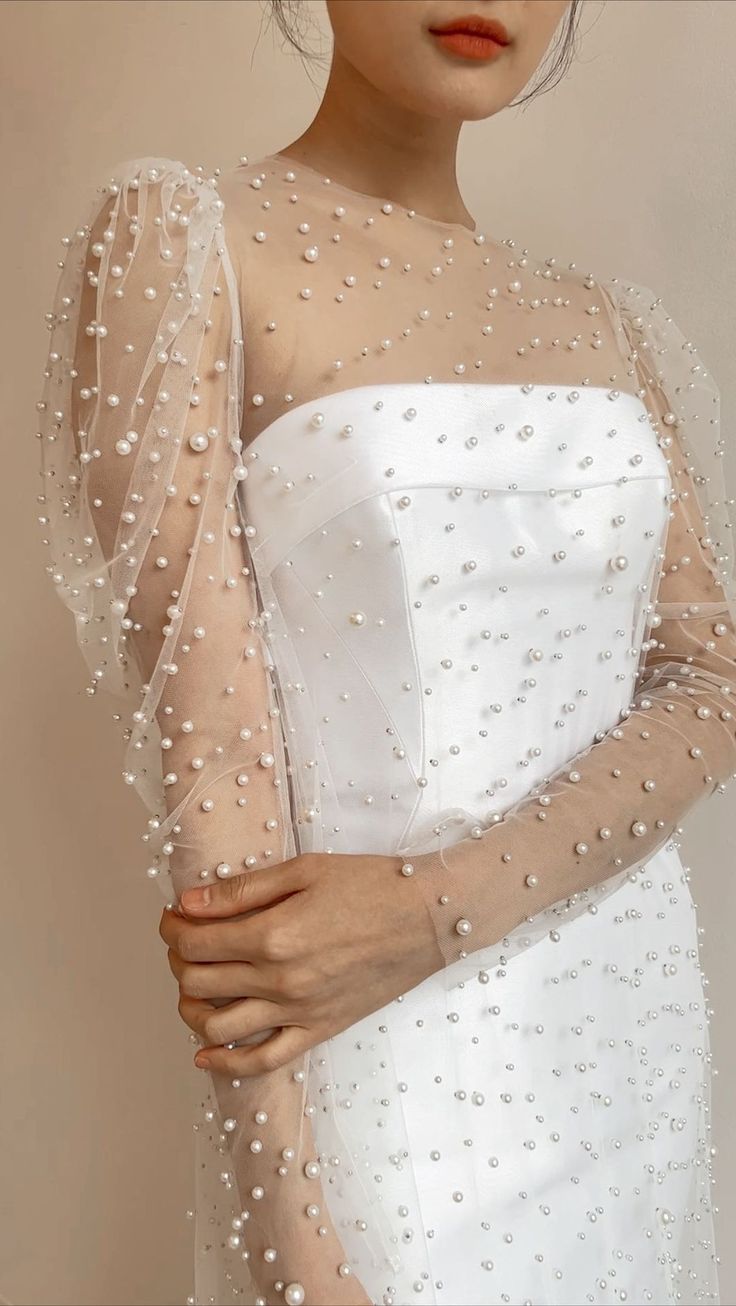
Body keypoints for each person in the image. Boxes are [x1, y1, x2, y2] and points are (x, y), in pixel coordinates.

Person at [35, 2, 736, 1304]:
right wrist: (299, 1263)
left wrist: (433, 905)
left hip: (615, 1049)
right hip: (386, 1077)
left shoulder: (609, 321)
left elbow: (712, 677)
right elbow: (220, 795)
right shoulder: (187, 242)